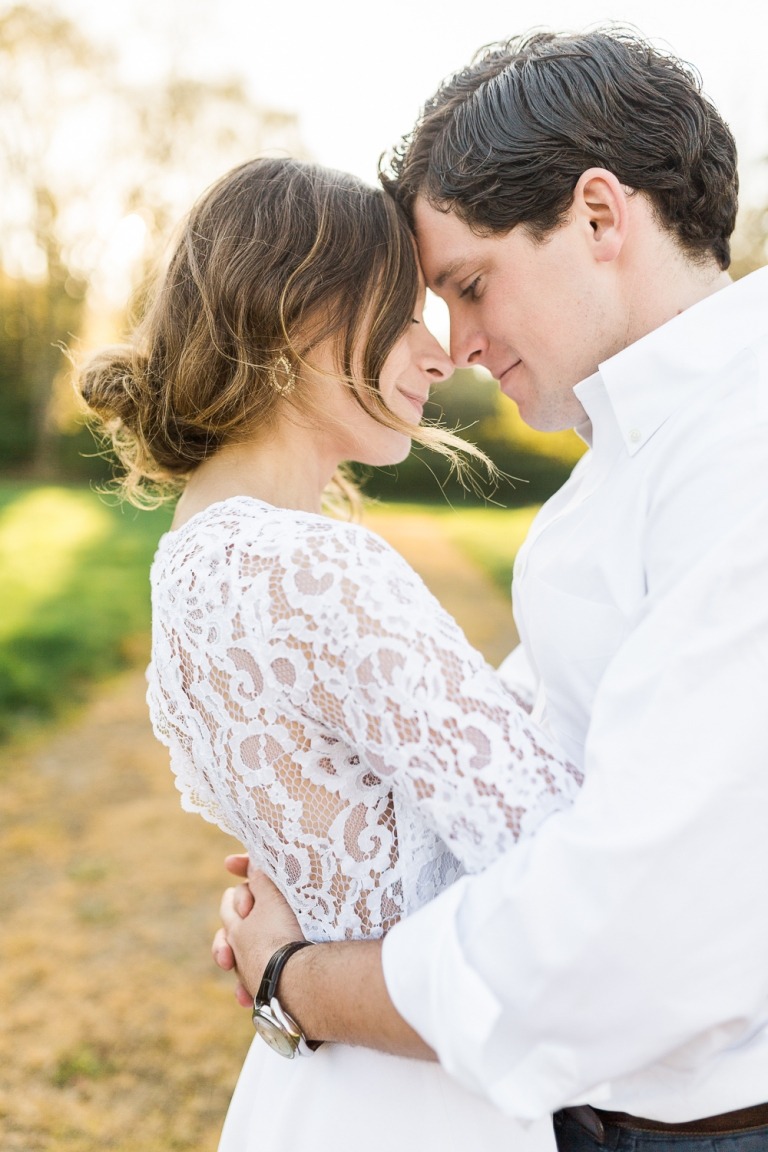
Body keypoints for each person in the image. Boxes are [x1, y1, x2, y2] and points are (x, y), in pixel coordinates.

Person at [214, 27, 768, 1152]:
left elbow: (625, 933)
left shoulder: (742, 457)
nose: (456, 343)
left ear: (601, 217)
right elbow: (518, 764)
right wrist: (333, 844)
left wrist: (300, 980)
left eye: (469, 286)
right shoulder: (616, 480)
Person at [76, 156, 587, 1152]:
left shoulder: (190, 558)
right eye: (403, 315)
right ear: (299, 315)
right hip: (429, 1099)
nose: (439, 356)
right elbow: (554, 857)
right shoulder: (313, 568)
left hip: (319, 1089)